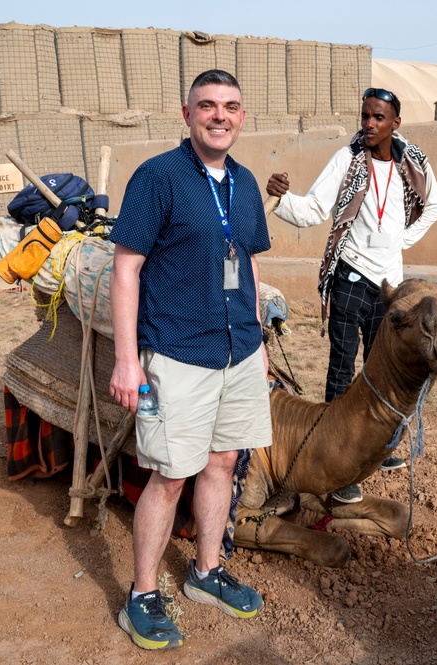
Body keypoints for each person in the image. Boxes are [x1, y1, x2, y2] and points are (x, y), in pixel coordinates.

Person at [108, 69, 272, 651]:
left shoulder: (246, 184)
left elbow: (247, 262)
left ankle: (205, 574)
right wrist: (128, 361)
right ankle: (143, 596)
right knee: (170, 475)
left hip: (238, 349)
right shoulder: (158, 178)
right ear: (187, 114)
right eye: (207, 106)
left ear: (242, 116)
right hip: (177, 351)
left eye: (230, 106)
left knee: (223, 462)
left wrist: (257, 340)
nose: (219, 116)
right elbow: (125, 270)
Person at [265, 87, 437, 503]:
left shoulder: (412, 163)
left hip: (390, 289)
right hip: (350, 277)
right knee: (342, 370)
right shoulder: (346, 159)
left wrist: (402, 238)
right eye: (365, 115)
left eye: (378, 117)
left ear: (395, 123)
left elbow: (434, 206)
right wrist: (280, 196)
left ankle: (376, 448)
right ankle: (336, 461)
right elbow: (314, 210)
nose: (368, 124)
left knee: (383, 368)